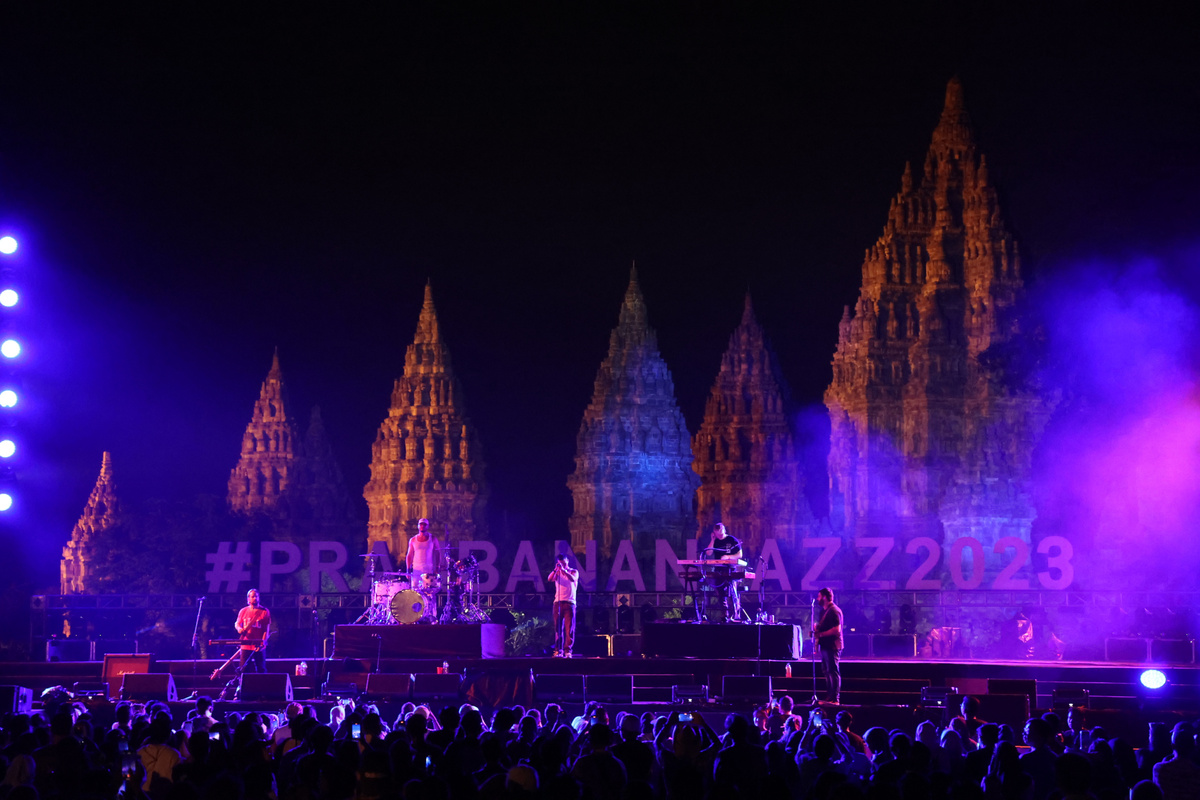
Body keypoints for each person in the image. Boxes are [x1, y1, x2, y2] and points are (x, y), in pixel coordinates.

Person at [706, 523, 744, 622]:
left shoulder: (732, 540)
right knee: (720, 593)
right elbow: (708, 553)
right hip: (719, 570)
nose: (719, 536)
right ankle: (724, 615)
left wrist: (728, 557)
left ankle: (735, 615)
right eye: (717, 534)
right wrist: (713, 539)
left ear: (724, 530)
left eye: (720, 534)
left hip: (730, 570)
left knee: (732, 593)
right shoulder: (716, 541)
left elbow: (739, 554)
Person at [812, 587, 843, 705]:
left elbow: (836, 630)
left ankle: (835, 698)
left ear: (824, 597)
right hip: (826, 646)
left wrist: (821, 634)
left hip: (832, 646)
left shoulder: (834, 611)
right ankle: (830, 696)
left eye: (819, 596)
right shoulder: (826, 611)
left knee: (833, 671)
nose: (817, 599)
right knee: (827, 671)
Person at [233, 588, 271, 675]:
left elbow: (266, 630)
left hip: (258, 645)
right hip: (246, 645)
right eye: (253, 596)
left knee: (261, 669)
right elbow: (237, 623)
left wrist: (262, 643)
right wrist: (239, 629)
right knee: (243, 669)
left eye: (257, 596)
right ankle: (243, 687)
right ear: (248, 599)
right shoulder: (243, 611)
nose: (255, 598)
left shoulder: (264, 611)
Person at [548, 554, 579, 658]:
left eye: (564, 563)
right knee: (558, 628)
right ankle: (558, 650)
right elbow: (549, 579)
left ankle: (568, 651)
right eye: (560, 563)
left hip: (570, 603)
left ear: (567, 561)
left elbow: (572, 579)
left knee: (569, 628)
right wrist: (556, 570)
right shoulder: (557, 573)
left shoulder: (573, 571)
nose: (562, 565)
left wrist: (564, 570)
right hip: (558, 603)